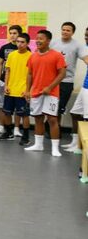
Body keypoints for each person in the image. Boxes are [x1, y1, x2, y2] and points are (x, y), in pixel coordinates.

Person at [24, 30, 67, 157]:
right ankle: (38, 145)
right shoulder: (33, 56)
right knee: (38, 118)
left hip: (51, 93)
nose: (38, 41)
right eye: (36, 38)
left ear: (48, 41)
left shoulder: (57, 55)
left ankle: (55, 148)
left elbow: (62, 73)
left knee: (52, 119)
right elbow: (30, 74)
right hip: (36, 92)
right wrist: (27, 90)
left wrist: (50, 87)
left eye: (41, 38)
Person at [51, 22, 82, 142]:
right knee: (51, 107)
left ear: (72, 32)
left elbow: (85, 57)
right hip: (53, 80)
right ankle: (52, 131)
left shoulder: (77, 45)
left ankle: (57, 131)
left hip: (67, 81)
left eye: (68, 30)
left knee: (60, 108)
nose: (65, 32)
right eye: (63, 29)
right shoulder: (54, 43)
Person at [0, 33, 32, 145]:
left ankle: (26, 136)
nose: (19, 44)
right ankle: (9, 133)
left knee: (24, 115)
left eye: (22, 42)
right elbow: (7, 71)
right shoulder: (12, 55)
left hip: (22, 91)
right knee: (7, 113)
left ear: (27, 43)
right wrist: (6, 85)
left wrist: (28, 90)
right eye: (18, 41)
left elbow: (32, 75)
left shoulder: (31, 56)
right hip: (11, 89)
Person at [0, 25, 21, 135]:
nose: (12, 35)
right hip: (4, 79)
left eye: (15, 33)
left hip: (18, 81)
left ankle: (16, 128)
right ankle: (1, 126)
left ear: (19, 34)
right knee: (2, 104)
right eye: (11, 33)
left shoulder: (24, 48)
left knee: (18, 106)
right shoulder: (4, 47)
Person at [63, 26, 88, 154]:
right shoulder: (85, 47)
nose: (86, 38)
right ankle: (75, 142)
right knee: (75, 113)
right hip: (85, 86)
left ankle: (83, 147)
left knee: (86, 118)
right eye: (85, 35)